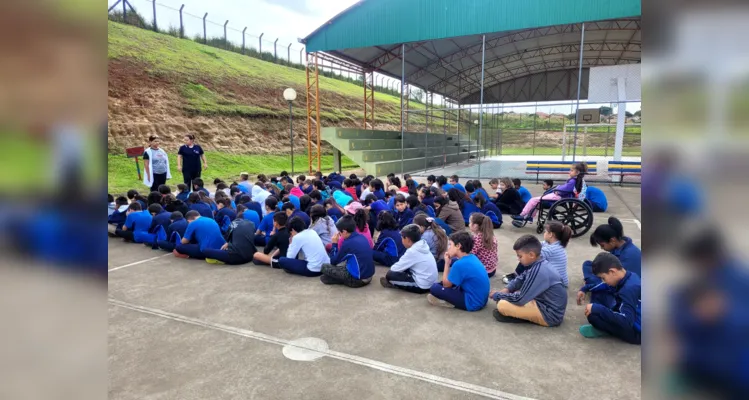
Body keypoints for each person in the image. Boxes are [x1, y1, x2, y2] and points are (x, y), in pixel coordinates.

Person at [489, 235, 567, 326]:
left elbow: (520, 299)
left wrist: (497, 295)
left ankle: (524, 318)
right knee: (510, 295)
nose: (518, 259)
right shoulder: (539, 262)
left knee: (502, 305)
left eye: (520, 256)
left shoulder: (538, 271)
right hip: (543, 303)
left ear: (531, 255)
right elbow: (521, 278)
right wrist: (508, 289)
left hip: (550, 315)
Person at [578, 252, 641, 344]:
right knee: (600, 298)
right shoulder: (630, 276)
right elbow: (605, 286)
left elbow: (627, 322)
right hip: (635, 315)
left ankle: (606, 330)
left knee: (593, 316)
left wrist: (598, 309)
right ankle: (608, 327)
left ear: (612, 272)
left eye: (603, 278)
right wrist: (585, 289)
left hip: (638, 333)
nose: (604, 281)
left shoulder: (628, 290)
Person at [580, 217, 642, 308]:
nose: (602, 248)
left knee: (598, 293)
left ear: (612, 240)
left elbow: (615, 285)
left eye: (602, 245)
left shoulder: (628, 257)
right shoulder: (621, 246)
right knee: (588, 264)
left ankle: (592, 283)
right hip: (615, 280)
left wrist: (587, 287)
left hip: (627, 295)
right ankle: (592, 282)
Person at [427, 231, 490, 311]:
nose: (448, 248)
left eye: (450, 245)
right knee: (442, 283)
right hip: (481, 299)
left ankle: (447, 302)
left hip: (472, 302)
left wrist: (447, 264)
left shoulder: (459, 264)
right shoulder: (472, 257)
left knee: (434, 287)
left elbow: (446, 285)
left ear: (458, 246)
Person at [503, 221, 572, 286]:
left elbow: (532, 256)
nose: (544, 233)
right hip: (554, 277)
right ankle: (517, 275)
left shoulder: (552, 249)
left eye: (545, 232)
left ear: (550, 234)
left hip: (557, 282)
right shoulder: (550, 243)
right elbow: (536, 244)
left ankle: (518, 277)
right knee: (529, 256)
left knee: (528, 258)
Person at [513, 162, 587, 222]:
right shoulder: (577, 180)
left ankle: (522, 215)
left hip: (559, 196)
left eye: (571, 170)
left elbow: (566, 189)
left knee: (533, 200)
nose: (569, 172)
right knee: (537, 202)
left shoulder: (572, 181)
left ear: (577, 172)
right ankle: (529, 216)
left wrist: (558, 188)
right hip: (562, 196)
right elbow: (567, 189)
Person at [380, 224, 438, 293]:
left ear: (408, 240)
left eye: (402, 237)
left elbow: (394, 269)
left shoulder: (413, 251)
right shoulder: (422, 244)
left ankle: (395, 284)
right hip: (431, 281)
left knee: (390, 275)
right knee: (405, 268)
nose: (401, 239)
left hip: (422, 286)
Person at [320, 215, 375, 288]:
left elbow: (333, 261)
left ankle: (340, 280)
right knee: (345, 263)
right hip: (369, 276)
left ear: (344, 232)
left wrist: (334, 244)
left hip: (358, 280)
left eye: (339, 232)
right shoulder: (362, 237)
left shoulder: (348, 243)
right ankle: (337, 279)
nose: (338, 234)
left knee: (324, 267)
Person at [468, 213, 498, 277]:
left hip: (484, 271)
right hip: (492, 269)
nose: (469, 224)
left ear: (475, 226)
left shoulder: (478, 239)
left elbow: (469, 254)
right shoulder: (490, 235)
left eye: (470, 222)